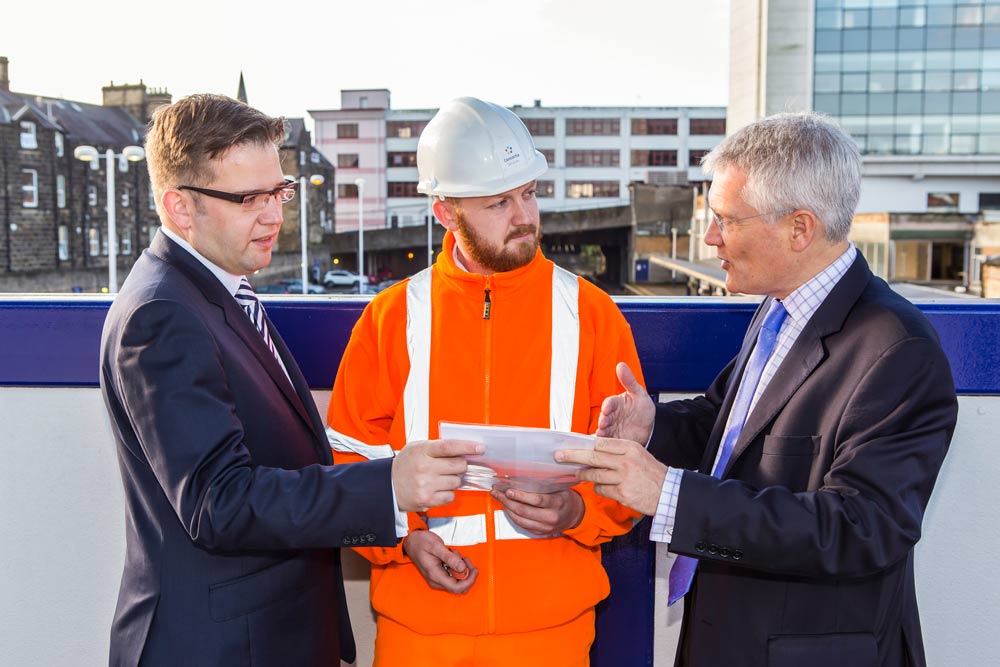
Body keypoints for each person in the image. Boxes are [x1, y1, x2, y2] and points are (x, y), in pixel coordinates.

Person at [555, 112, 958, 667]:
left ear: (800, 228)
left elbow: (861, 529)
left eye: (726, 220)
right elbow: (727, 433)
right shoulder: (780, 307)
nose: (709, 237)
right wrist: (652, 428)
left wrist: (668, 496)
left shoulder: (899, 349)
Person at [100, 94, 481, 666]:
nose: (275, 215)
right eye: (248, 198)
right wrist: (389, 487)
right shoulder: (163, 316)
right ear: (179, 207)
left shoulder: (216, 289)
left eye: (278, 192)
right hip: (221, 649)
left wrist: (399, 529)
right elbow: (218, 504)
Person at [326, 96, 644, 666]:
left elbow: (627, 468)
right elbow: (348, 459)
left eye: (528, 193)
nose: (524, 216)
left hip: (554, 633)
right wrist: (402, 541)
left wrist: (580, 512)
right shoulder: (391, 318)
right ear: (445, 213)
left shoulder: (593, 316)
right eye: (499, 202)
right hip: (420, 631)